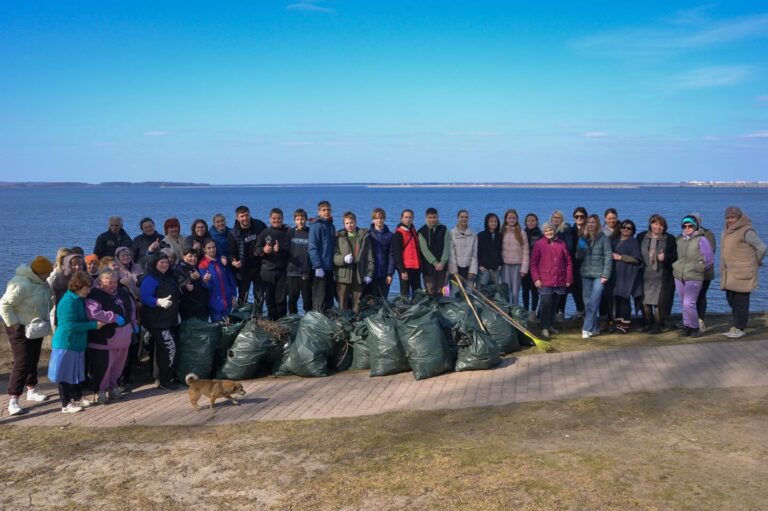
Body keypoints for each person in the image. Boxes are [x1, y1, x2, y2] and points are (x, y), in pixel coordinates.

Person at [1, 256, 55, 416]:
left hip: (36, 327)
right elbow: (4, 304)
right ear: (40, 272)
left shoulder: (41, 282)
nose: (48, 276)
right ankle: (13, 399)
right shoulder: (21, 283)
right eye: (47, 273)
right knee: (22, 362)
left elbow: (47, 300)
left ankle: (31, 389)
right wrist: (15, 324)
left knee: (34, 358)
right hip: (20, 328)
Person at [48, 271, 104, 413]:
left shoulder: (79, 299)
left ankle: (77, 397)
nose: (89, 291)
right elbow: (69, 325)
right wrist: (94, 325)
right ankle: (65, 404)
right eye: (87, 288)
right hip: (66, 344)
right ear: (78, 286)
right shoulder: (68, 301)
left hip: (77, 343)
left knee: (77, 373)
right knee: (64, 374)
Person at [85, 269, 137, 403]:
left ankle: (114, 388)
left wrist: (133, 322)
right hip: (104, 339)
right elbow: (94, 313)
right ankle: (100, 391)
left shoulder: (122, 292)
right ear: (100, 281)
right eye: (109, 282)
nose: (112, 285)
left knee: (118, 366)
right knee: (103, 366)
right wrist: (113, 317)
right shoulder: (94, 294)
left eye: (114, 282)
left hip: (123, 337)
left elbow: (131, 308)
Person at [719, 207, 766, 339]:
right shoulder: (725, 231)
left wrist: (756, 261)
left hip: (743, 273)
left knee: (741, 302)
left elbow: (762, 248)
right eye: (728, 217)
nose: (730, 220)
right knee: (731, 300)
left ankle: (740, 328)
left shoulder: (747, 231)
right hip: (729, 274)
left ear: (739, 218)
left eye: (733, 217)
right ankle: (736, 326)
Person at [140, 252, 182, 390]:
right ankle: (164, 380)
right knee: (170, 348)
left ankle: (165, 377)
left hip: (170, 319)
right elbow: (145, 297)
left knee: (165, 349)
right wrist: (157, 301)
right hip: (156, 320)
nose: (164, 265)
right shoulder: (150, 278)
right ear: (155, 264)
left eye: (166, 262)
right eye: (161, 262)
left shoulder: (169, 277)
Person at [672, 215, 714, 338]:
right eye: (684, 226)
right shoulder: (680, 239)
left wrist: (699, 268)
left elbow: (709, 260)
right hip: (679, 275)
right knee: (683, 303)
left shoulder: (702, 239)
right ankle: (687, 327)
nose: (687, 228)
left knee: (689, 303)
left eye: (690, 225)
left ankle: (695, 327)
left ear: (695, 226)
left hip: (694, 276)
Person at [530, 222, 572, 339]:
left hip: (559, 279)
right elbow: (533, 264)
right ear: (543, 232)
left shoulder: (561, 243)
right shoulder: (539, 244)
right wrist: (536, 279)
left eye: (551, 230)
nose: (549, 232)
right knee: (545, 304)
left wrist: (568, 278)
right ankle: (544, 327)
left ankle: (550, 325)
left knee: (554, 304)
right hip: (545, 280)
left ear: (554, 230)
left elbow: (568, 262)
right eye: (546, 230)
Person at [637, 215, 677, 334]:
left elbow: (675, 256)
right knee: (645, 302)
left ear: (664, 227)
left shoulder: (670, 239)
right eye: (655, 224)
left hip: (662, 276)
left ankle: (657, 326)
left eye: (661, 225)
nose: (657, 227)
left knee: (660, 303)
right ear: (650, 224)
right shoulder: (641, 236)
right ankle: (648, 324)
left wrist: (665, 258)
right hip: (645, 276)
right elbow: (636, 254)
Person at [576, 214, 612, 339]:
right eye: (589, 222)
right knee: (587, 304)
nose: (590, 224)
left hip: (599, 275)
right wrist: (580, 247)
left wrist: (605, 275)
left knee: (594, 301)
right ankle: (595, 329)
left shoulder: (603, 238)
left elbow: (608, 258)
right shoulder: (583, 237)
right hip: (586, 274)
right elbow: (578, 257)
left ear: (597, 224)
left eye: (593, 222)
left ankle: (586, 328)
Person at [333, 212, 374, 313]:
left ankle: (356, 320)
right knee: (342, 302)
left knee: (357, 302)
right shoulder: (339, 237)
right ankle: (342, 320)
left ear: (356, 222)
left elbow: (369, 258)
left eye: (351, 222)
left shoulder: (364, 237)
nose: (349, 225)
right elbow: (334, 257)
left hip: (359, 274)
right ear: (344, 224)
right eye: (347, 223)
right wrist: (343, 259)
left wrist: (369, 274)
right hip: (343, 275)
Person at [229, 205, 267, 309]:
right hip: (243, 268)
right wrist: (233, 261)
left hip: (259, 266)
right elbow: (231, 253)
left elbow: (270, 234)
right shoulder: (233, 233)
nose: (245, 218)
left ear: (250, 215)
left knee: (259, 295)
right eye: (242, 216)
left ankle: (258, 314)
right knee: (243, 295)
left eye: (247, 215)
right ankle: (242, 315)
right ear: (237, 218)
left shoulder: (259, 225)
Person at [255, 208, 291, 320]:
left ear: (283, 219)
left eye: (279, 218)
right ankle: (272, 321)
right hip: (267, 271)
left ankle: (282, 321)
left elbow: (292, 250)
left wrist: (280, 250)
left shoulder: (288, 232)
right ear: (270, 219)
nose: (276, 220)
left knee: (281, 299)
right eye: (274, 218)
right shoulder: (265, 233)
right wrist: (264, 250)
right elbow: (256, 250)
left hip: (282, 271)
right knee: (269, 299)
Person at [611, 220, 643, 334]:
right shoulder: (614, 241)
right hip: (615, 274)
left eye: (629, 228)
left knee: (624, 298)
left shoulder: (632, 242)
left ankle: (625, 325)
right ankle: (617, 323)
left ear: (632, 231)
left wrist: (621, 257)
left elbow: (636, 259)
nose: (625, 229)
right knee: (616, 299)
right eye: (623, 227)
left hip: (627, 274)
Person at [551, 209, 583, 321]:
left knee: (564, 289)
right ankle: (556, 313)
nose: (556, 219)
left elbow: (569, 247)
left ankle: (561, 312)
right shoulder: (551, 230)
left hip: (565, 264)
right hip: (554, 265)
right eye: (554, 217)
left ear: (562, 219)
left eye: (558, 217)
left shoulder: (565, 229)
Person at [199, 239, 237, 321]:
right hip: (215, 305)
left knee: (229, 326)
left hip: (228, 301)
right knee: (218, 326)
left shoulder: (222, 261)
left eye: (213, 247)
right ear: (204, 249)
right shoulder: (202, 264)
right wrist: (205, 281)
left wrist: (234, 296)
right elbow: (205, 287)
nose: (212, 250)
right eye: (209, 248)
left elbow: (231, 279)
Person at [308, 201, 336, 312]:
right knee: (320, 298)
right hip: (320, 268)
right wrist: (317, 266)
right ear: (319, 212)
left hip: (330, 267)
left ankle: (328, 320)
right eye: (324, 210)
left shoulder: (331, 226)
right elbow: (312, 247)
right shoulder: (317, 226)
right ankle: (318, 319)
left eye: (328, 210)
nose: (326, 212)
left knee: (329, 297)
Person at [691, 213, 717, 332]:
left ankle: (700, 320)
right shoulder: (685, 235)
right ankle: (690, 319)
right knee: (689, 298)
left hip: (704, 272)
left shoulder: (707, 234)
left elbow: (710, 252)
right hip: (688, 272)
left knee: (700, 295)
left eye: (695, 220)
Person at [418, 208, 451, 296]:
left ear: (437, 217)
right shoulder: (421, 232)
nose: (432, 220)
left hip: (442, 266)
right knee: (430, 291)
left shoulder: (444, 229)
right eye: (430, 217)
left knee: (440, 291)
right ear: (426, 218)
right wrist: (435, 263)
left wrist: (442, 262)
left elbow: (447, 246)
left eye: (434, 217)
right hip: (428, 267)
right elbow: (424, 250)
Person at [287, 209, 313, 313]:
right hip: (292, 271)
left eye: (302, 219)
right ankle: (293, 317)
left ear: (306, 219)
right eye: (297, 219)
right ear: (294, 220)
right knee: (292, 298)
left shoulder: (310, 232)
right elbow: (285, 249)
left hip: (306, 271)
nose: (300, 221)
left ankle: (308, 318)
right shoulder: (291, 232)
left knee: (307, 299)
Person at [500, 209, 528, 305]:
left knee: (515, 292)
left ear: (517, 219)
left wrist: (524, 269)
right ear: (506, 219)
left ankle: (515, 310)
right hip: (504, 265)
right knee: (505, 290)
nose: (511, 220)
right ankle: (506, 311)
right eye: (509, 218)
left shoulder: (521, 233)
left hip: (517, 266)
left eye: (513, 218)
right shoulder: (502, 232)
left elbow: (526, 252)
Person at [392, 209, 421, 298]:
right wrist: (402, 270)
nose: (408, 219)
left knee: (418, 292)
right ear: (401, 218)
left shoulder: (413, 230)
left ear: (413, 218)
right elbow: (397, 254)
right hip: (405, 267)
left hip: (415, 267)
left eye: (410, 217)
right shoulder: (398, 233)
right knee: (405, 293)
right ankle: (404, 307)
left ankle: (417, 306)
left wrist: (420, 266)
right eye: (406, 217)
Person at [174, 248, 210, 321]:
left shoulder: (194, 268)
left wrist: (204, 281)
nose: (193, 258)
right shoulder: (179, 269)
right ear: (184, 257)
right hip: (190, 310)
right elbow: (179, 287)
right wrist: (191, 278)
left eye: (195, 256)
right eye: (190, 256)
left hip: (201, 308)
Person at [367, 208, 395, 298]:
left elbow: (391, 255)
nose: (379, 220)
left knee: (383, 298)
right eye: (376, 218)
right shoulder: (368, 234)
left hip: (384, 273)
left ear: (384, 219)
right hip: (371, 273)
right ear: (373, 220)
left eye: (381, 218)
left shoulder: (390, 235)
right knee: (372, 299)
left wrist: (390, 274)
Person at [448, 209, 478, 295]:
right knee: (455, 294)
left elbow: (474, 254)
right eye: (462, 217)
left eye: (466, 217)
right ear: (458, 218)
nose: (464, 219)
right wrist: (454, 270)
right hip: (456, 270)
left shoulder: (473, 235)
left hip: (469, 270)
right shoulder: (451, 234)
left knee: (469, 294)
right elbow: (451, 254)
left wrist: (472, 270)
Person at [522, 213, 542, 321]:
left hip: (536, 267)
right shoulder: (522, 234)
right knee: (525, 290)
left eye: (533, 220)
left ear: (536, 222)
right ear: (525, 222)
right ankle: (525, 311)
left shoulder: (540, 235)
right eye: (529, 220)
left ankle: (533, 311)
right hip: (524, 266)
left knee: (534, 290)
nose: (531, 222)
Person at [477, 213, 502, 287]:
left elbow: (500, 251)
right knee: (482, 289)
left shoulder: (499, 236)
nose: (493, 223)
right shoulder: (481, 235)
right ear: (487, 222)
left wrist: (500, 264)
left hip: (496, 269)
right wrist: (479, 265)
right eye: (491, 221)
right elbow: (477, 251)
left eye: (495, 221)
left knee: (496, 290)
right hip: (484, 269)